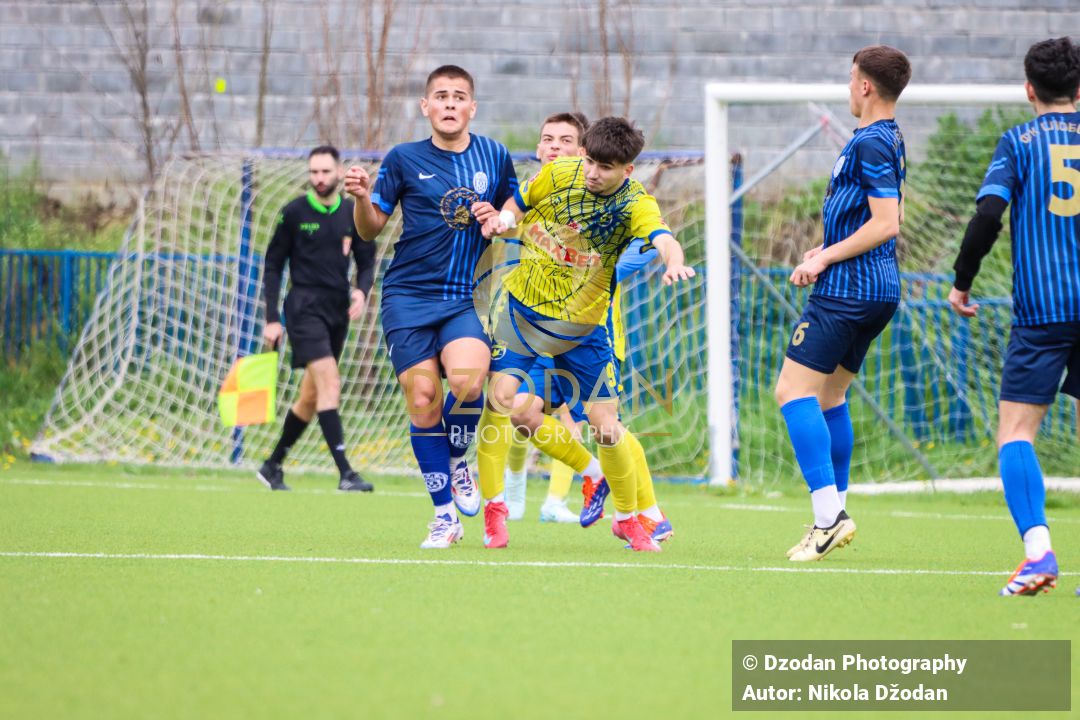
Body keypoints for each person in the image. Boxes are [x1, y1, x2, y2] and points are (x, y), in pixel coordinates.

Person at [474, 116, 695, 551]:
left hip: (583, 327)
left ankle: (629, 518)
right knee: (503, 402)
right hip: (524, 314)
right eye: (589, 161)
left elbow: (663, 237)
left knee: (607, 427)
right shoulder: (560, 173)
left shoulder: (634, 203)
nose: (593, 173)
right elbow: (520, 201)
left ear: (627, 170)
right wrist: (504, 218)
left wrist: (673, 261)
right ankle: (495, 510)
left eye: (605, 167)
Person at [344, 66, 518, 548]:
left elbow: (515, 204)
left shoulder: (494, 154)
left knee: (468, 383)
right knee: (423, 399)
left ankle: (458, 459)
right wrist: (360, 198)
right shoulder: (403, 158)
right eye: (440, 96)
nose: (449, 103)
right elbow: (369, 228)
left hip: (463, 296)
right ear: (426, 107)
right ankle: (444, 517)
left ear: (472, 107)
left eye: (459, 96)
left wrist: (500, 219)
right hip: (407, 296)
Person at [948, 37, 1080, 596]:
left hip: (1043, 311)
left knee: (1016, 432)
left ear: (1029, 89)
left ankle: (1038, 553)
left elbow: (987, 216)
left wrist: (962, 281)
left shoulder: (1018, 142)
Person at [774, 46, 910, 562]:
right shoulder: (890, 137)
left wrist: (825, 258)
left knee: (792, 391)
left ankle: (830, 519)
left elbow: (887, 223)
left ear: (866, 86)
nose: (849, 87)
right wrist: (825, 248)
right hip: (877, 289)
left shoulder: (872, 141)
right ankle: (831, 516)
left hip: (848, 291)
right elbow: (882, 217)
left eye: (851, 78)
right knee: (831, 396)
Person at [257, 145, 376, 493]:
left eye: (325, 171)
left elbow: (367, 260)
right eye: (314, 172)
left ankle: (272, 465)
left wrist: (361, 291)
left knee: (311, 397)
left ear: (339, 172)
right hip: (303, 308)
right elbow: (272, 265)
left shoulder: (352, 213)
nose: (319, 178)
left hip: (337, 311)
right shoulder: (293, 212)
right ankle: (346, 473)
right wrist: (271, 318)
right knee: (330, 383)